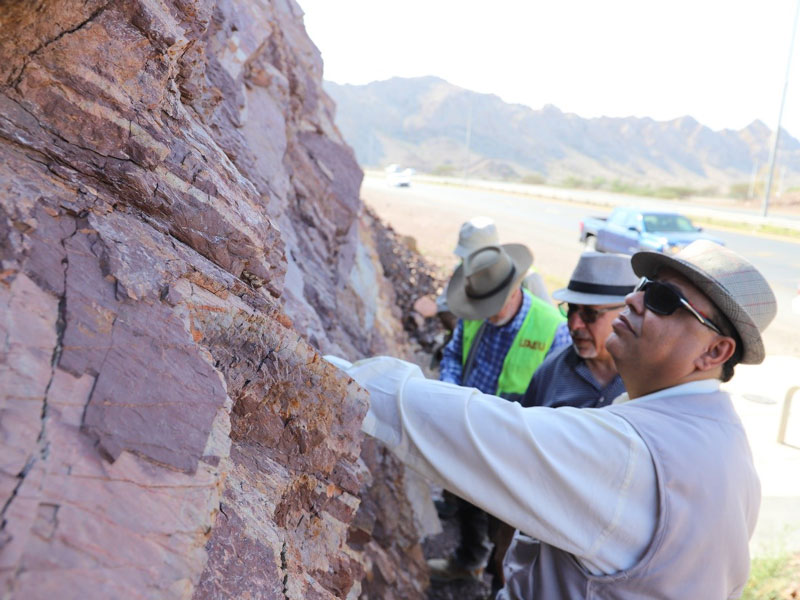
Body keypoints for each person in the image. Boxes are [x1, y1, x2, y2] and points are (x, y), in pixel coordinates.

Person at [333, 240, 777, 598]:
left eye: (663, 299)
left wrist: (339, 379)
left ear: (715, 351)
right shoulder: (726, 446)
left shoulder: (635, 456)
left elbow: (485, 433)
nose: (632, 299)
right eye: (643, 285)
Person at [431, 241, 570, 586]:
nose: (482, 313)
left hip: (513, 449)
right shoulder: (474, 318)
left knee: (504, 526)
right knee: (466, 502)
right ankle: (468, 559)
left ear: (513, 291)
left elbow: (557, 398)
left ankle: (499, 582)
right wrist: (450, 392)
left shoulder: (552, 329)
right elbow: (452, 355)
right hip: (467, 432)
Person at [522, 251, 638, 410]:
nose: (575, 325)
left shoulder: (654, 378)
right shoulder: (551, 371)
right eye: (571, 310)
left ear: (626, 312)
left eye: (590, 314)